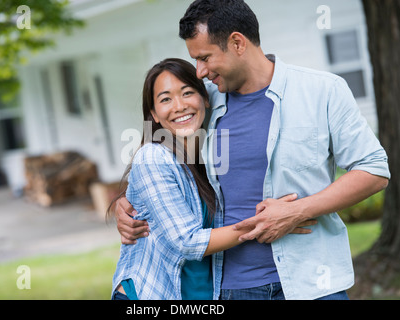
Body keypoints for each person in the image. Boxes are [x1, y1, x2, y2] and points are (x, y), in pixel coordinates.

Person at [115, 0, 390, 300]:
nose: (200, 71)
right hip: (234, 288)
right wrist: (127, 203)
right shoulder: (202, 102)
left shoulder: (322, 91)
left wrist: (297, 211)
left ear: (237, 43)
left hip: (313, 283)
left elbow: (374, 170)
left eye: (205, 57)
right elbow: (158, 148)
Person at [110, 58, 314, 300]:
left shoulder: (210, 156)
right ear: (154, 114)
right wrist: (268, 222)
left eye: (187, 93)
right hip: (150, 293)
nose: (179, 106)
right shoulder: (153, 157)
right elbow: (187, 242)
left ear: (205, 98)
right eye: (165, 99)